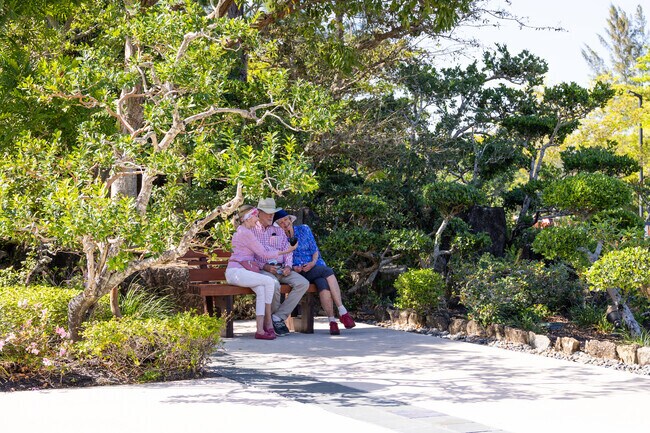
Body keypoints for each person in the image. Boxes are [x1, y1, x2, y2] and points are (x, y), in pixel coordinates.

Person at [273, 209, 356, 335]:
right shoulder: (279, 238)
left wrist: (313, 262)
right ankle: (343, 312)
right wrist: (294, 267)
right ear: (278, 225)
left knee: (323, 283)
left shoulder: (304, 229)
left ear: (290, 219)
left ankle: (332, 322)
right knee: (328, 271)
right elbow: (283, 259)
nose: (285, 223)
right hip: (298, 272)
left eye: (286, 220)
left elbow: (315, 250)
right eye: (281, 222)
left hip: (314, 266)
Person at [225, 205, 297, 340]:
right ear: (247, 218)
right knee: (269, 281)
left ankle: (260, 330)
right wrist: (287, 251)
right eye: (255, 217)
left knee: (261, 289)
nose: (257, 219)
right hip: (236, 271)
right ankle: (268, 323)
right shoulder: (244, 232)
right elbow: (263, 253)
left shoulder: (247, 231)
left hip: (244, 271)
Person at [252, 198, 310, 336]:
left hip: (281, 268)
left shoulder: (277, 229)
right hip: (263, 269)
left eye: (273, 212)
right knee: (274, 285)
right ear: (259, 213)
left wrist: (288, 267)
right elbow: (251, 255)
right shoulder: (252, 230)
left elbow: (287, 249)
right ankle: (271, 324)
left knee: (303, 283)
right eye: (267, 212)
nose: (271, 215)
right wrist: (265, 266)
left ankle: (277, 318)